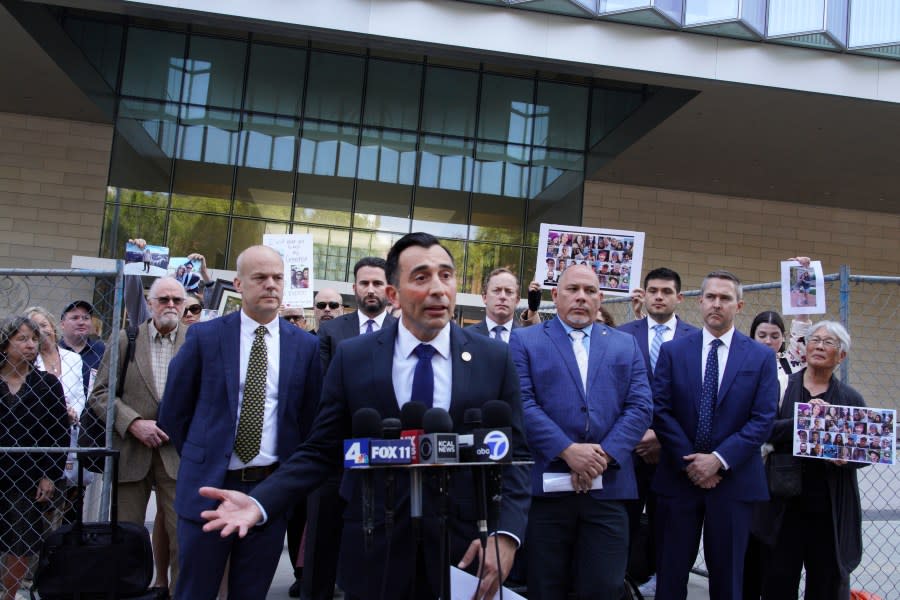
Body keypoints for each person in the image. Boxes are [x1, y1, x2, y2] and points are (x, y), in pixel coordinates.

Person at [196, 232, 531, 600]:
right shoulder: (354, 357)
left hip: (466, 552)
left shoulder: (493, 359)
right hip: (375, 550)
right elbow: (320, 450)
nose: (438, 288)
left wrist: (506, 535)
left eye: (446, 275)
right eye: (421, 277)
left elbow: (516, 455)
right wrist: (261, 502)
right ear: (393, 294)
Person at [157, 245, 322, 600]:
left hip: (267, 494)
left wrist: (283, 484)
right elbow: (174, 411)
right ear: (239, 283)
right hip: (209, 490)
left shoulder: (305, 346)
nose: (271, 285)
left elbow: (308, 419)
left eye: (277, 278)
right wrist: (205, 457)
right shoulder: (205, 336)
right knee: (194, 590)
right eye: (260, 278)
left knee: (251, 592)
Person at [509, 264, 651, 599]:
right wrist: (568, 451)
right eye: (573, 290)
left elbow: (641, 406)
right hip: (547, 491)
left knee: (603, 587)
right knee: (546, 587)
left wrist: (602, 456)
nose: (581, 297)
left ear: (600, 299)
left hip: (609, 488)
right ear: (555, 296)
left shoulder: (625, 344)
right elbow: (522, 403)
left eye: (590, 291)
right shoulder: (524, 340)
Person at [651, 270, 778, 600]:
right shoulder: (673, 352)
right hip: (679, 479)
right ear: (700, 301)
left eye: (725, 298)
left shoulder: (761, 356)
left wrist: (719, 461)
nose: (716, 304)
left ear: (739, 305)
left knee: (728, 577)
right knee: (671, 572)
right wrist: (692, 464)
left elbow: (763, 418)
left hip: (733, 482)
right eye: (710, 297)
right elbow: (660, 411)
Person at [88, 277, 189, 597]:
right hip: (131, 453)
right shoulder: (125, 339)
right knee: (126, 537)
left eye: (177, 300)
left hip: (178, 456)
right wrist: (133, 423)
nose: (170, 305)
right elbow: (101, 394)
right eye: (163, 299)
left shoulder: (197, 341)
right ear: (150, 303)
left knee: (182, 538)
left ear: (185, 305)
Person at [754, 321, 866, 599]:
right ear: (804, 348)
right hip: (782, 503)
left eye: (828, 343)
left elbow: (866, 451)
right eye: (814, 340)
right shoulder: (781, 386)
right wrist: (803, 422)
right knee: (778, 578)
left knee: (826, 580)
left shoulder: (849, 398)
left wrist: (846, 458)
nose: (819, 346)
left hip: (829, 506)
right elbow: (762, 429)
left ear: (841, 356)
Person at [307, 257, 396, 599]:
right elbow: (327, 391)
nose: (370, 289)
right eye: (364, 283)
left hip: (387, 452)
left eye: (377, 283)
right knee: (322, 542)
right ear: (354, 288)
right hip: (336, 455)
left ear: (388, 289)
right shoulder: (332, 331)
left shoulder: (401, 331)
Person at [616, 267, 697, 595]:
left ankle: (666, 584)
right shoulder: (622, 335)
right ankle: (620, 586)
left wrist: (662, 437)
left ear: (679, 297)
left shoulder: (694, 339)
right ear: (644, 295)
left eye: (666, 291)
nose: (659, 297)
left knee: (671, 529)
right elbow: (612, 393)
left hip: (673, 453)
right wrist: (635, 435)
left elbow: (696, 398)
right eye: (653, 291)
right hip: (629, 452)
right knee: (623, 526)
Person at [0, 317, 69, 600]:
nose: (30, 345)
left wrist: (49, 473)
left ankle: (8, 594)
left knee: (21, 541)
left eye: (33, 339)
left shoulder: (47, 385)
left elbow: (58, 433)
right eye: (22, 339)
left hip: (27, 477)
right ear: (5, 345)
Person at [24, 306, 91, 526]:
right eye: (34, 328)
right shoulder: (29, 362)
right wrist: (59, 413)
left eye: (44, 325)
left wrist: (75, 415)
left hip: (72, 435)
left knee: (67, 505)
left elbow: (82, 395)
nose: (41, 331)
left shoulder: (73, 359)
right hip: (43, 436)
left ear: (53, 327)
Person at [58, 300, 105, 398]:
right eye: (75, 318)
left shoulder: (102, 350)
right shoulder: (55, 351)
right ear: (62, 324)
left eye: (86, 318)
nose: (81, 322)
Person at [467, 268, 522, 342]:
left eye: (509, 292)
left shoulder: (527, 339)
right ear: (484, 297)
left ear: (517, 300)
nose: (503, 296)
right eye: (496, 290)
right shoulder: (467, 336)